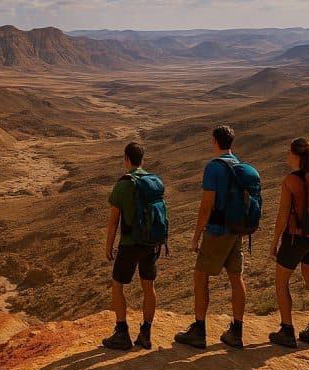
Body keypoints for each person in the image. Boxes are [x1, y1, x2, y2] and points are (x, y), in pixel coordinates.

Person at [174, 125, 247, 349]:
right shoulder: (240, 165)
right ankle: (237, 330)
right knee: (236, 277)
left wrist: (196, 236)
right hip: (237, 230)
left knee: (200, 276)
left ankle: (199, 330)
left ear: (214, 141)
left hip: (217, 231)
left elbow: (206, 206)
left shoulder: (214, 168)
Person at [267, 138, 309, 348]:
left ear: (295, 155)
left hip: (294, 238)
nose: (286, 155)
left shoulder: (291, 180)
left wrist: (275, 241)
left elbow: (282, 216)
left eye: (289, 152)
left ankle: (287, 330)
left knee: (282, 283)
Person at [102, 142, 159, 350]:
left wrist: (108, 245)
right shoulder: (153, 181)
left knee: (117, 285)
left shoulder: (123, 184)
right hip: (150, 243)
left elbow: (113, 220)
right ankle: (146, 332)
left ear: (126, 158)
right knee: (148, 287)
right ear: (142, 159)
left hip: (129, 244)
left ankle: (122, 333)